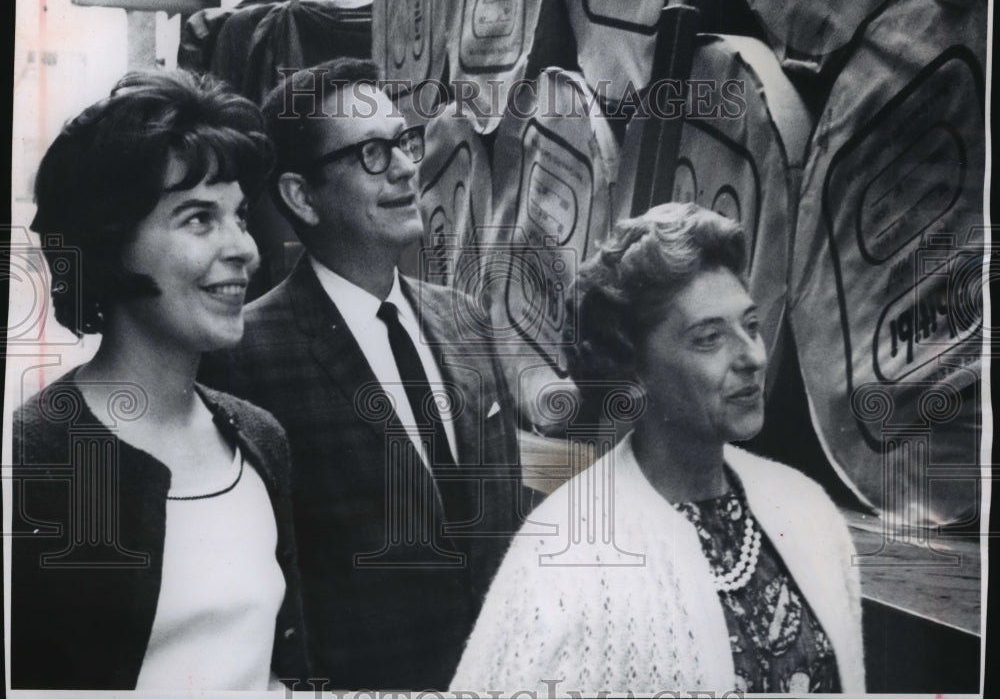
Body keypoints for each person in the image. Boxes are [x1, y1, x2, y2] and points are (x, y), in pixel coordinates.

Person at [199, 58, 523, 690]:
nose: (407, 166)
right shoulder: (243, 355)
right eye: (373, 153)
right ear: (301, 196)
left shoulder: (463, 319)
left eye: (404, 141)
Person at [450, 202, 865, 694]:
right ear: (634, 367)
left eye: (751, 326)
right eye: (709, 338)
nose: (752, 356)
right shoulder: (560, 553)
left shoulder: (807, 507)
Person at [11, 70, 309, 690]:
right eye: (198, 219)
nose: (244, 249)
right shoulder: (31, 462)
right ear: (111, 245)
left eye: (240, 216)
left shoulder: (261, 439)